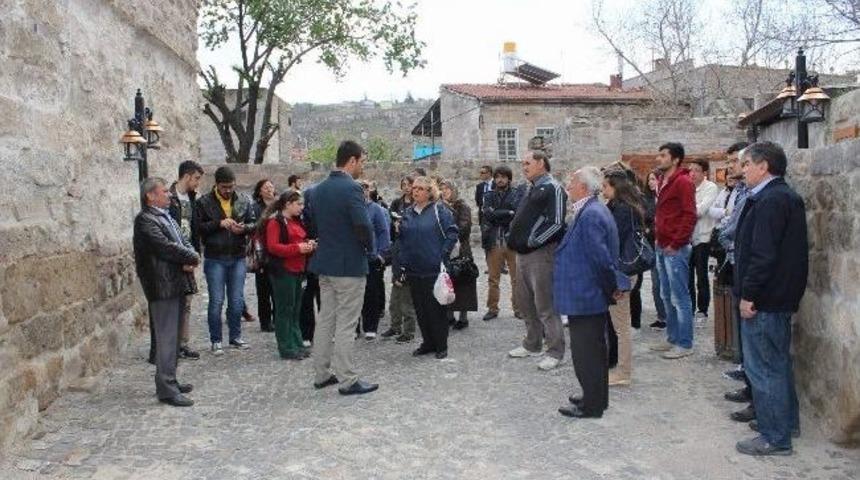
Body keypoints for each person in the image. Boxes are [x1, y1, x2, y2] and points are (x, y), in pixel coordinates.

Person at [733, 141, 807, 456]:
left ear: (764, 166)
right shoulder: (779, 196)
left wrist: (749, 295)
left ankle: (774, 437)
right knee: (776, 364)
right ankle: (784, 423)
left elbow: (763, 255)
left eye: (747, 164)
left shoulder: (772, 200)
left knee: (765, 368)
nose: (742, 169)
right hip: (776, 296)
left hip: (766, 299)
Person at [554, 167, 629, 419]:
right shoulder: (590, 210)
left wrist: (611, 288)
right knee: (593, 351)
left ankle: (592, 405)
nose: (568, 187)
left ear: (584, 187)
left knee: (587, 353)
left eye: (572, 183)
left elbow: (601, 259)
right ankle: (594, 396)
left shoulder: (592, 214)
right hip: (586, 293)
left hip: (586, 295)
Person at [307, 140, 378, 395]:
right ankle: (348, 379)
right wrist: (370, 249)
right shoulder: (352, 188)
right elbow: (363, 225)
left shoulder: (317, 190)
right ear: (352, 161)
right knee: (347, 324)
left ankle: (322, 373)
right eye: (362, 162)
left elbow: (313, 224)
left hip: (325, 263)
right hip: (348, 266)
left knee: (326, 319)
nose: (362, 167)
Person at [134, 177, 200, 407]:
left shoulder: (165, 216)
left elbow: (183, 240)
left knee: (174, 336)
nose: (169, 195)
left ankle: (170, 379)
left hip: (175, 283)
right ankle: (166, 388)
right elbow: (163, 246)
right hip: (162, 285)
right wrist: (189, 257)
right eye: (164, 191)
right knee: (166, 337)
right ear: (150, 195)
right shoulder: (145, 220)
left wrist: (191, 254)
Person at [507, 151, 567, 371]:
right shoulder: (531, 188)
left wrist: (533, 241)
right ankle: (532, 344)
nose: (524, 167)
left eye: (527, 163)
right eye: (523, 164)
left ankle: (555, 351)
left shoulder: (554, 188)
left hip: (542, 255)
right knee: (525, 302)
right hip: (521, 255)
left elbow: (557, 222)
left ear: (542, 163)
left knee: (545, 305)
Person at [395, 176, 459, 359]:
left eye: (421, 188)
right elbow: (402, 240)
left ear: (430, 192)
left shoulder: (440, 210)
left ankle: (441, 345)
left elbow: (452, 232)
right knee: (420, 309)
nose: (416, 191)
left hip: (434, 269)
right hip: (414, 269)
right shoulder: (407, 212)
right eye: (414, 188)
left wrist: (443, 254)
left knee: (436, 309)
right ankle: (427, 342)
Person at [195, 166, 256, 355]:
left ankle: (235, 337)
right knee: (216, 300)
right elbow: (198, 228)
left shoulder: (244, 200)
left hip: (237, 256)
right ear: (216, 185)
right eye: (224, 187)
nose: (228, 190)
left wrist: (244, 228)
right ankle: (216, 340)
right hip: (215, 257)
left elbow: (254, 223)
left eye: (231, 186)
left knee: (236, 300)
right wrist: (219, 224)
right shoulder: (203, 202)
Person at [649, 142, 697, 360]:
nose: (658, 158)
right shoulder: (662, 180)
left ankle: (685, 343)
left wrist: (676, 243)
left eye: (663, 155)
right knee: (665, 294)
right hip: (662, 244)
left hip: (674, 248)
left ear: (675, 159)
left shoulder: (683, 182)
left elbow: (689, 215)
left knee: (680, 296)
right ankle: (672, 337)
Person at [602, 170, 646, 386]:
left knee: (621, 326)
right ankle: (620, 368)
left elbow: (613, 242)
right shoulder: (621, 207)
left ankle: (623, 372)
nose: (603, 191)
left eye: (606, 187)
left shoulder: (622, 210)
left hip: (622, 272)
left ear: (615, 187)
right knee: (618, 324)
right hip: (622, 271)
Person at [264, 190, 316, 360]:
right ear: (288, 204)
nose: (302, 207)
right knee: (284, 309)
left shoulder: (296, 221)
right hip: (283, 271)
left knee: (295, 310)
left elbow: (297, 240)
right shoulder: (275, 222)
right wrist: (298, 248)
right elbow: (273, 247)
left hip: (298, 270)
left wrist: (308, 244)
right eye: (298, 204)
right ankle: (286, 347)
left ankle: (297, 343)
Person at [161, 160, 204, 363]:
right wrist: (179, 260)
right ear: (186, 176)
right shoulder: (169, 198)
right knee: (174, 303)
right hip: (175, 259)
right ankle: (170, 345)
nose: (197, 183)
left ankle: (183, 343)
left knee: (187, 302)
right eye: (196, 178)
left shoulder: (194, 198)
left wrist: (196, 254)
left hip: (189, 254)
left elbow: (195, 228)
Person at [480, 165, 522, 321]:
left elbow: (517, 213)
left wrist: (499, 213)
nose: (500, 179)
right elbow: (488, 214)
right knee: (493, 278)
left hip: (513, 241)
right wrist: (507, 212)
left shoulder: (517, 193)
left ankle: (518, 308)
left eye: (503, 177)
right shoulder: (489, 195)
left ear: (509, 179)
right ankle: (492, 308)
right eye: (497, 177)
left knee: (517, 278)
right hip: (494, 240)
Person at [382, 176, 418, 343]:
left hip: (409, 248)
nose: (405, 187)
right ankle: (395, 326)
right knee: (395, 291)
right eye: (403, 184)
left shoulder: (416, 206)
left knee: (406, 294)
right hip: (398, 245)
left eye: (408, 185)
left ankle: (409, 330)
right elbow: (391, 223)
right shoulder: (397, 203)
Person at [439, 180, 477, 330]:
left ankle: (463, 317)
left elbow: (464, 228)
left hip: (462, 252)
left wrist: (449, 233)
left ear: (453, 190)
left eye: (447, 189)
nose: (444, 191)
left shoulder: (462, 207)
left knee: (463, 283)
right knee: (448, 282)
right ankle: (449, 315)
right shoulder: (439, 207)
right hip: (447, 251)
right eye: (442, 189)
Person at [686, 159, 720, 325]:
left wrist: (684, 209)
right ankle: (690, 308)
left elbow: (699, 211)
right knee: (687, 276)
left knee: (701, 275)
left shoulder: (710, 188)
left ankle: (703, 310)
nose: (692, 173)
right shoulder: (686, 186)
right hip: (687, 238)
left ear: (704, 173)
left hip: (703, 237)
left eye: (697, 170)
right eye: (690, 170)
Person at [358, 179, 391, 339]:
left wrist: (381, 253)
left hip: (371, 258)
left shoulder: (376, 209)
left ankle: (370, 326)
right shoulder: (350, 208)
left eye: (365, 188)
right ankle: (354, 328)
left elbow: (383, 231)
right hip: (353, 258)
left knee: (371, 292)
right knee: (352, 294)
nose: (362, 191)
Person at [251, 179, 277, 332]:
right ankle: (265, 320)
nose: (269, 189)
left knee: (276, 287)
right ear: (260, 191)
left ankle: (277, 317)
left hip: (277, 251)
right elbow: (254, 227)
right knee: (263, 288)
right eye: (265, 187)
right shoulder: (255, 207)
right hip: (262, 251)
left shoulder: (279, 205)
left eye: (271, 186)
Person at [643, 170, 667, 330]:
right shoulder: (647, 200)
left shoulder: (666, 197)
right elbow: (645, 218)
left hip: (667, 244)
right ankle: (661, 316)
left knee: (666, 284)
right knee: (656, 284)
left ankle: (670, 316)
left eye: (654, 179)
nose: (651, 182)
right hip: (652, 245)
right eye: (649, 179)